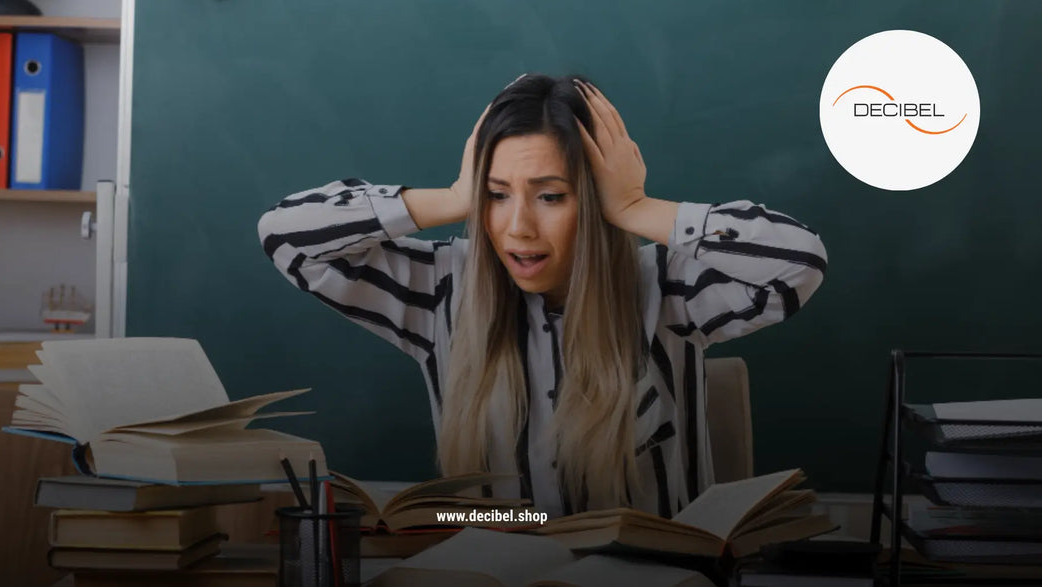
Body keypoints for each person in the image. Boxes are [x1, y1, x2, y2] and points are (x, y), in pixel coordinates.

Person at [257, 74, 827, 518]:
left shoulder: (668, 286)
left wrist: (633, 207)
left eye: (551, 197)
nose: (517, 228)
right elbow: (286, 236)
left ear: (596, 201)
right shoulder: (440, 290)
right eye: (498, 195)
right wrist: (457, 197)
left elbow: (797, 263)